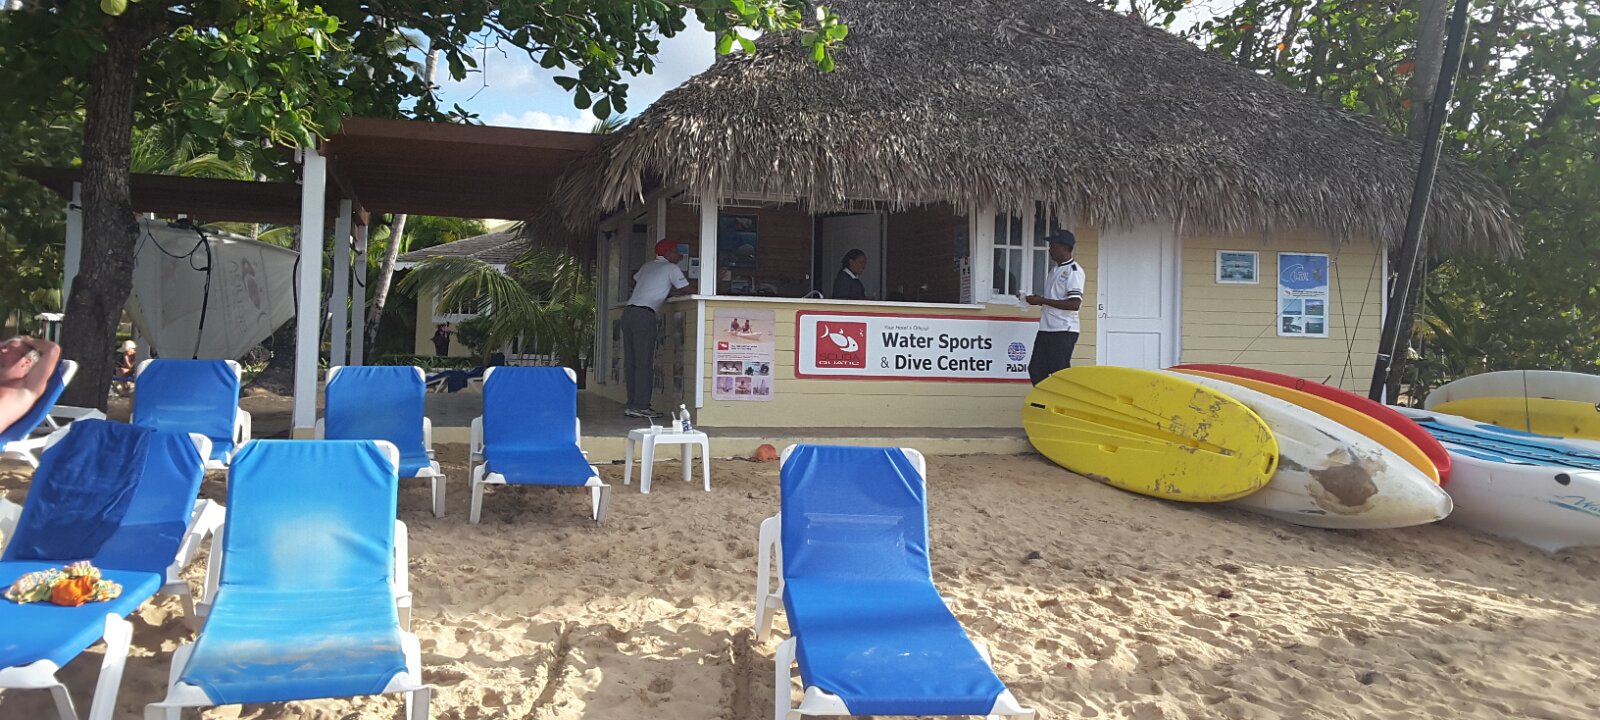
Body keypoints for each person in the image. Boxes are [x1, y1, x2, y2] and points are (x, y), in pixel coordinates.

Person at [622, 238, 693, 418]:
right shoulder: (671, 268)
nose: (679, 254)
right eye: (676, 251)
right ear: (668, 253)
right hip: (644, 315)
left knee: (632, 362)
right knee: (644, 362)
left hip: (629, 313)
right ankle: (641, 406)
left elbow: (638, 281)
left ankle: (632, 404)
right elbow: (687, 289)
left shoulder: (647, 266)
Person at [1025, 232, 1085, 385]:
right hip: (1047, 328)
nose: (1049, 249)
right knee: (1036, 369)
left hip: (1063, 329)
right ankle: (1046, 397)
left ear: (1065, 248)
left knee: (1059, 372)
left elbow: (1074, 304)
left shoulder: (1074, 271)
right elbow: (1055, 298)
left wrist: (1042, 300)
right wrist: (1039, 300)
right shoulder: (1054, 270)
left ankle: (1065, 399)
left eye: (1053, 246)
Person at [0, 335, 62, 433]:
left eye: (10, 349)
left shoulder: (26, 388)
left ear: (26, 362)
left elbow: (53, 349)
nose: (2, 351)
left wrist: (28, 340)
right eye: (2, 347)